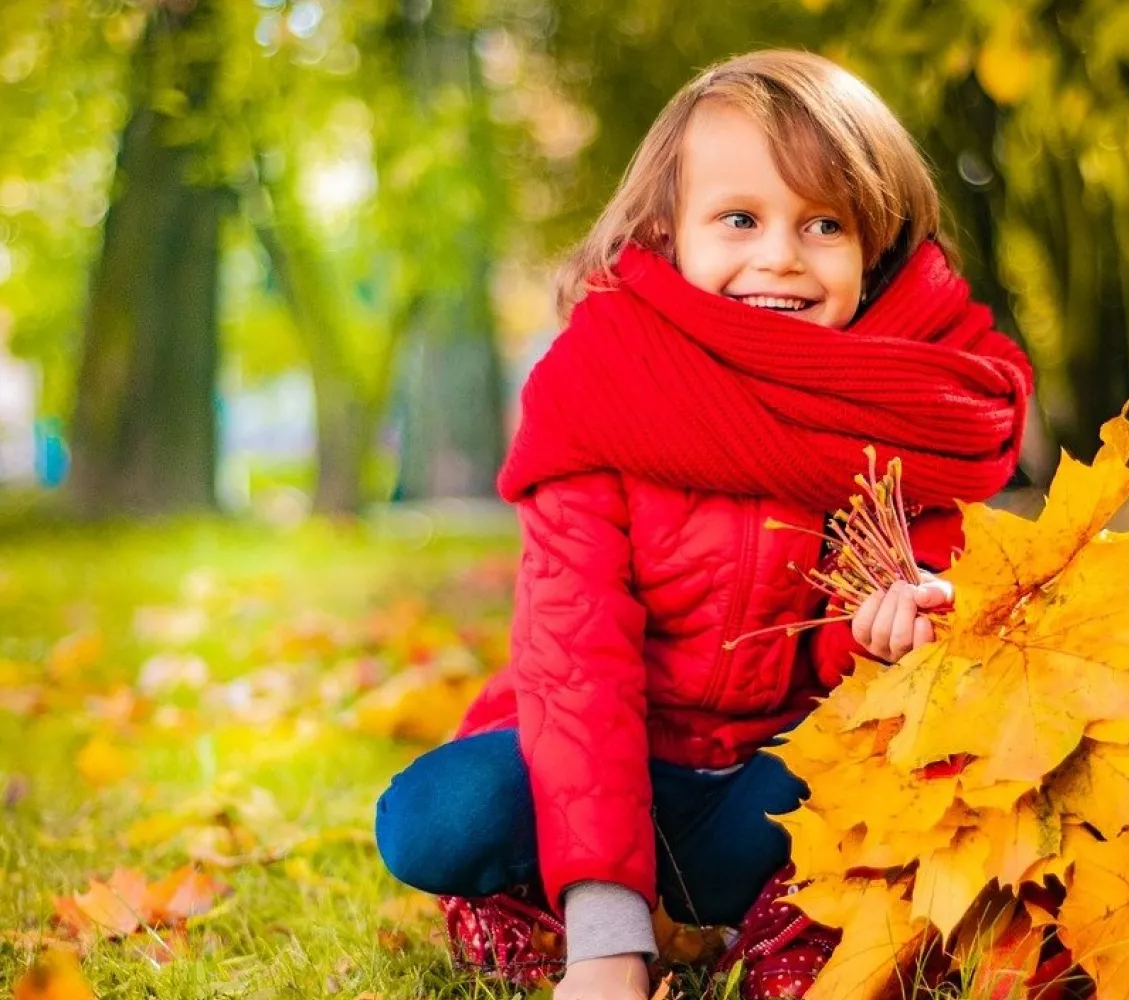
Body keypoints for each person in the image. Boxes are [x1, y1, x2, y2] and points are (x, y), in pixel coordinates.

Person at [373, 49, 1033, 1000]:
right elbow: (577, 660)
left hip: (772, 786)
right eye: (739, 219)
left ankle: (789, 924)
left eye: (823, 224)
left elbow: (870, 672)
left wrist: (888, 634)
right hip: (611, 756)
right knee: (438, 817)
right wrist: (607, 938)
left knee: (911, 767)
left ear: (873, 244)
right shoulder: (601, 388)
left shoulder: (901, 400)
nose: (780, 256)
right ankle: (566, 907)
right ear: (664, 231)